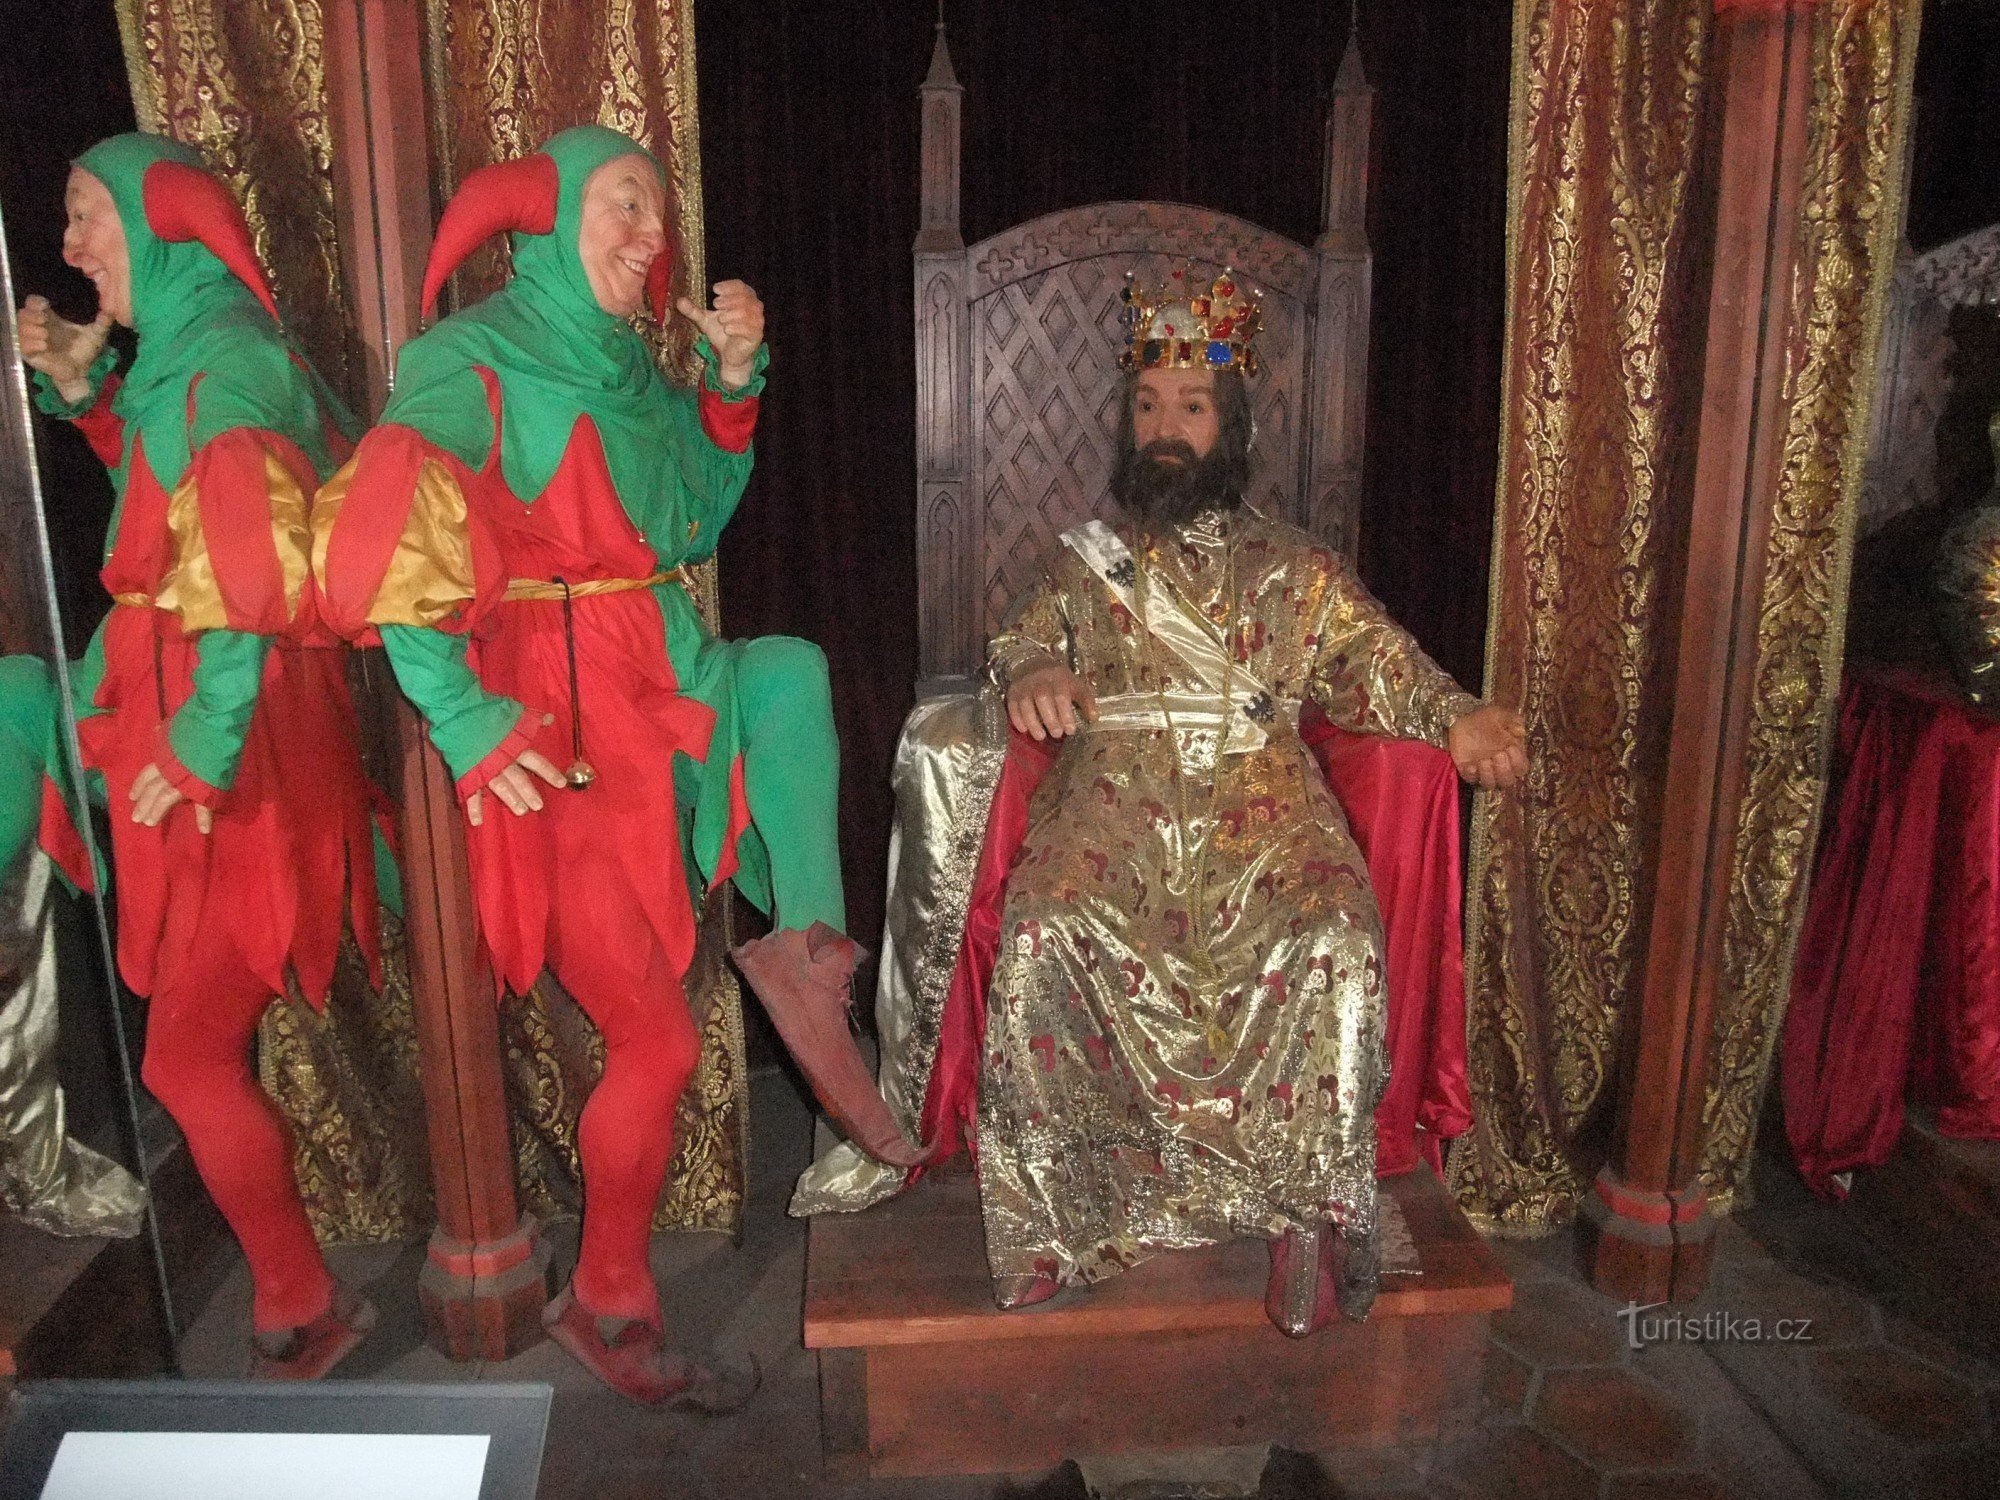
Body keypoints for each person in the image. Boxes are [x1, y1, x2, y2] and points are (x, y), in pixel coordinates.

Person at [312, 125, 914, 1407]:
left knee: (789, 670)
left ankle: (806, 957)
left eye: (657, 211)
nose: (652, 235)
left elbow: (695, 513)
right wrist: (458, 712)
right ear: (550, 215)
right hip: (560, 726)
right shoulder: (468, 356)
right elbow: (384, 504)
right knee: (656, 1040)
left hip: (665, 683)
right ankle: (609, 1298)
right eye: (626, 205)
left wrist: (731, 383)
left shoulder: (637, 368)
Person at [977, 268, 1527, 1335]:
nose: (1164, 428)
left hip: (1259, 794)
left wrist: (1456, 715)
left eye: (1190, 406)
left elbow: (1377, 659)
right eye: (1147, 405)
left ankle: (1305, 1211)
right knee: (1045, 928)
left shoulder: (1296, 567)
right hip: (1116, 791)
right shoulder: (1086, 564)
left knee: (1333, 936)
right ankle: (1061, 1217)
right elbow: (1021, 638)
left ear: (1229, 423)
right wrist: (1035, 667)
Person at [14, 133, 382, 1374]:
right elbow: (169, 501)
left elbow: (249, 548)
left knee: (181, 1053)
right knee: (189, 1048)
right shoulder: (191, 351)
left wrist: (207, 738)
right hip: (202, 718)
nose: (71, 245)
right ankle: (297, 1296)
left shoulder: (224, 358)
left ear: (159, 219)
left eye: (88, 213)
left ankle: (298, 1298)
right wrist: (86, 396)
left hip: (236, 741)